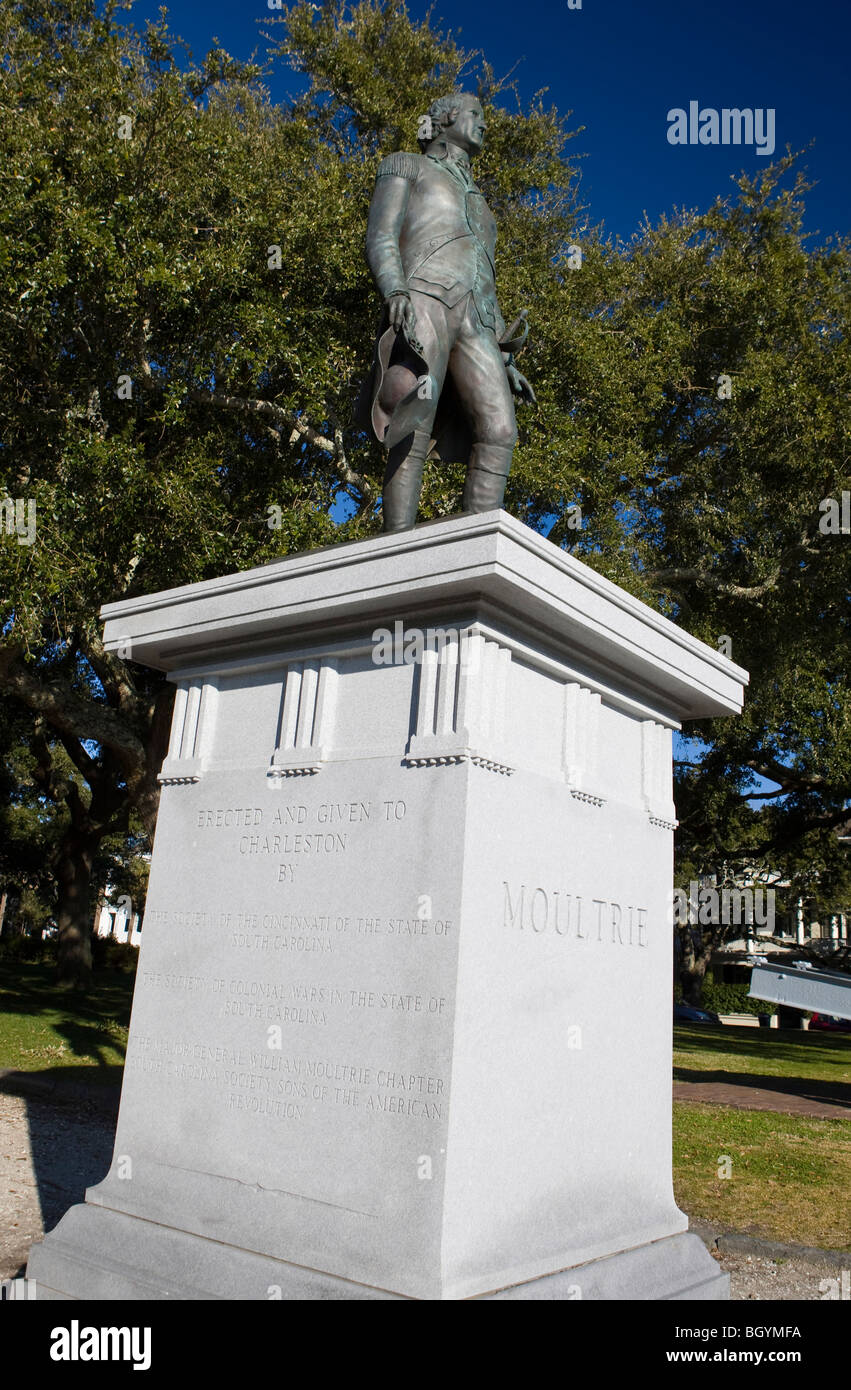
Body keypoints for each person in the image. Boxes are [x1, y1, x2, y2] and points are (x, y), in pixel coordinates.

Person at [360, 92, 535, 533]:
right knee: (414, 411)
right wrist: (394, 288)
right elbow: (381, 234)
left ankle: (475, 545)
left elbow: (487, 277)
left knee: (499, 430)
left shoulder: (481, 201)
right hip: (424, 299)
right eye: (476, 115)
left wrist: (505, 356)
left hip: (477, 321)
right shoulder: (405, 164)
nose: (484, 124)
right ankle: (395, 544)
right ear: (445, 120)